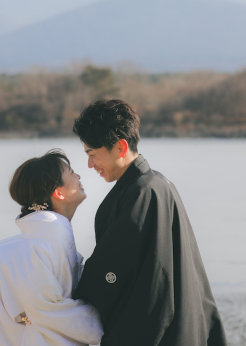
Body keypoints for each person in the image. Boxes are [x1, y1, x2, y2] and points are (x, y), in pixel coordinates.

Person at [72, 99, 227, 346]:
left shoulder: (140, 193)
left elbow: (113, 273)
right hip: (183, 326)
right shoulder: (158, 185)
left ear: (121, 147)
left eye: (92, 154)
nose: (90, 165)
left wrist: (61, 301)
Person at [0, 149, 103, 346]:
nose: (79, 175)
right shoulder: (35, 248)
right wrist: (114, 324)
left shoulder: (19, 248)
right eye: (71, 172)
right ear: (58, 192)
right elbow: (49, 312)